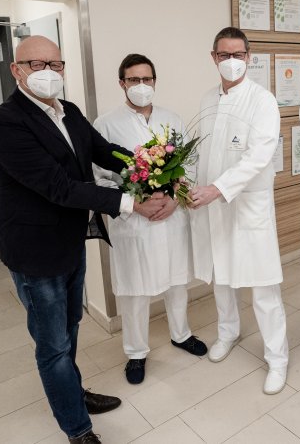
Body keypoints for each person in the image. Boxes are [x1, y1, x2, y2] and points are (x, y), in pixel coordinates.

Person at [0, 36, 172, 444]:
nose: (48, 73)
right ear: (16, 70)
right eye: (37, 65)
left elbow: (104, 152)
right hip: (34, 250)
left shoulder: (67, 110)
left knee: (70, 326)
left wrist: (153, 170)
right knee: (52, 344)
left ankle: (74, 393)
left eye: (55, 64)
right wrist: (130, 203)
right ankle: (77, 428)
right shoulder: (6, 122)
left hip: (70, 238)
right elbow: (58, 186)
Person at [93, 53, 207, 385]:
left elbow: (191, 164)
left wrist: (174, 198)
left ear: (155, 81)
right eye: (133, 80)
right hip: (134, 222)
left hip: (171, 217)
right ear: (121, 83)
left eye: (147, 79)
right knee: (134, 290)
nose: (141, 86)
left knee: (176, 282)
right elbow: (99, 180)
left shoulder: (172, 119)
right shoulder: (105, 124)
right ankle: (136, 352)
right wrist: (135, 204)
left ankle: (181, 334)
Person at [186, 27, 289, 395]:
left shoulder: (263, 100)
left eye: (238, 55)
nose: (232, 62)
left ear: (249, 57)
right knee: (222, 277)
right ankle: (227, 332)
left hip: (248, 206)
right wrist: (186, 181)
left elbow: (259, 156)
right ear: (214, 57)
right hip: (212, 206)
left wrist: (218, 188)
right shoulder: (206, 100)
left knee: (262, 285)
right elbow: (198, 150)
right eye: (224, 55)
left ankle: (277, 358)